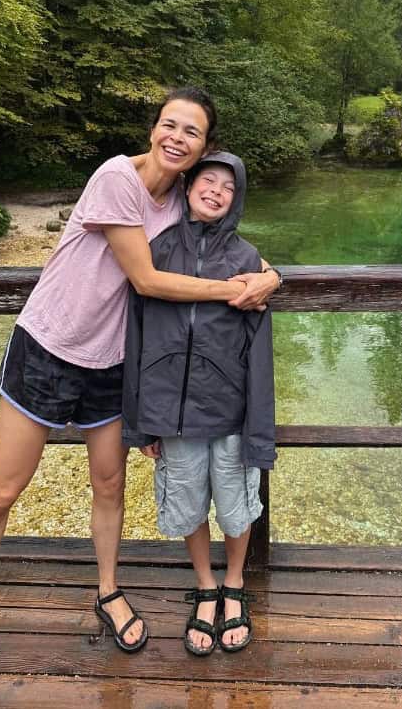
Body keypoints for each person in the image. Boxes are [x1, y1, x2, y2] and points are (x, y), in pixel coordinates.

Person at [0, 88, 281, 703]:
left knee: (110, 484)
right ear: (153, 130)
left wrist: (272, 277)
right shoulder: (116, 178)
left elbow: (231, 244)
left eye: (192, 132)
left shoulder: (181, 199)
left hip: (114, 361)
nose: (177, 138)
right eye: (169, 125)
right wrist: (235, 291)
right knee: (3, 490)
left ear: (204, 148)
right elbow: (145, 278)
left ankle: (108, 590)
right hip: (50, 345)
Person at [123, 151, 276, 656]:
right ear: (187, 188)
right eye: (206, 181)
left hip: (229, 410)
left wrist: (260, 430)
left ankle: (235, 584)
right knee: (188, 503)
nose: (214, 191)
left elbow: (260, 355)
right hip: (173, 412)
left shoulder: (249, 262)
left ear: (237, 200)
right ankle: (206, 586)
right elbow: (136, 336)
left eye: (227, 187)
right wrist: (139, 422)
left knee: (235, 507)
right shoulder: (157, 251)